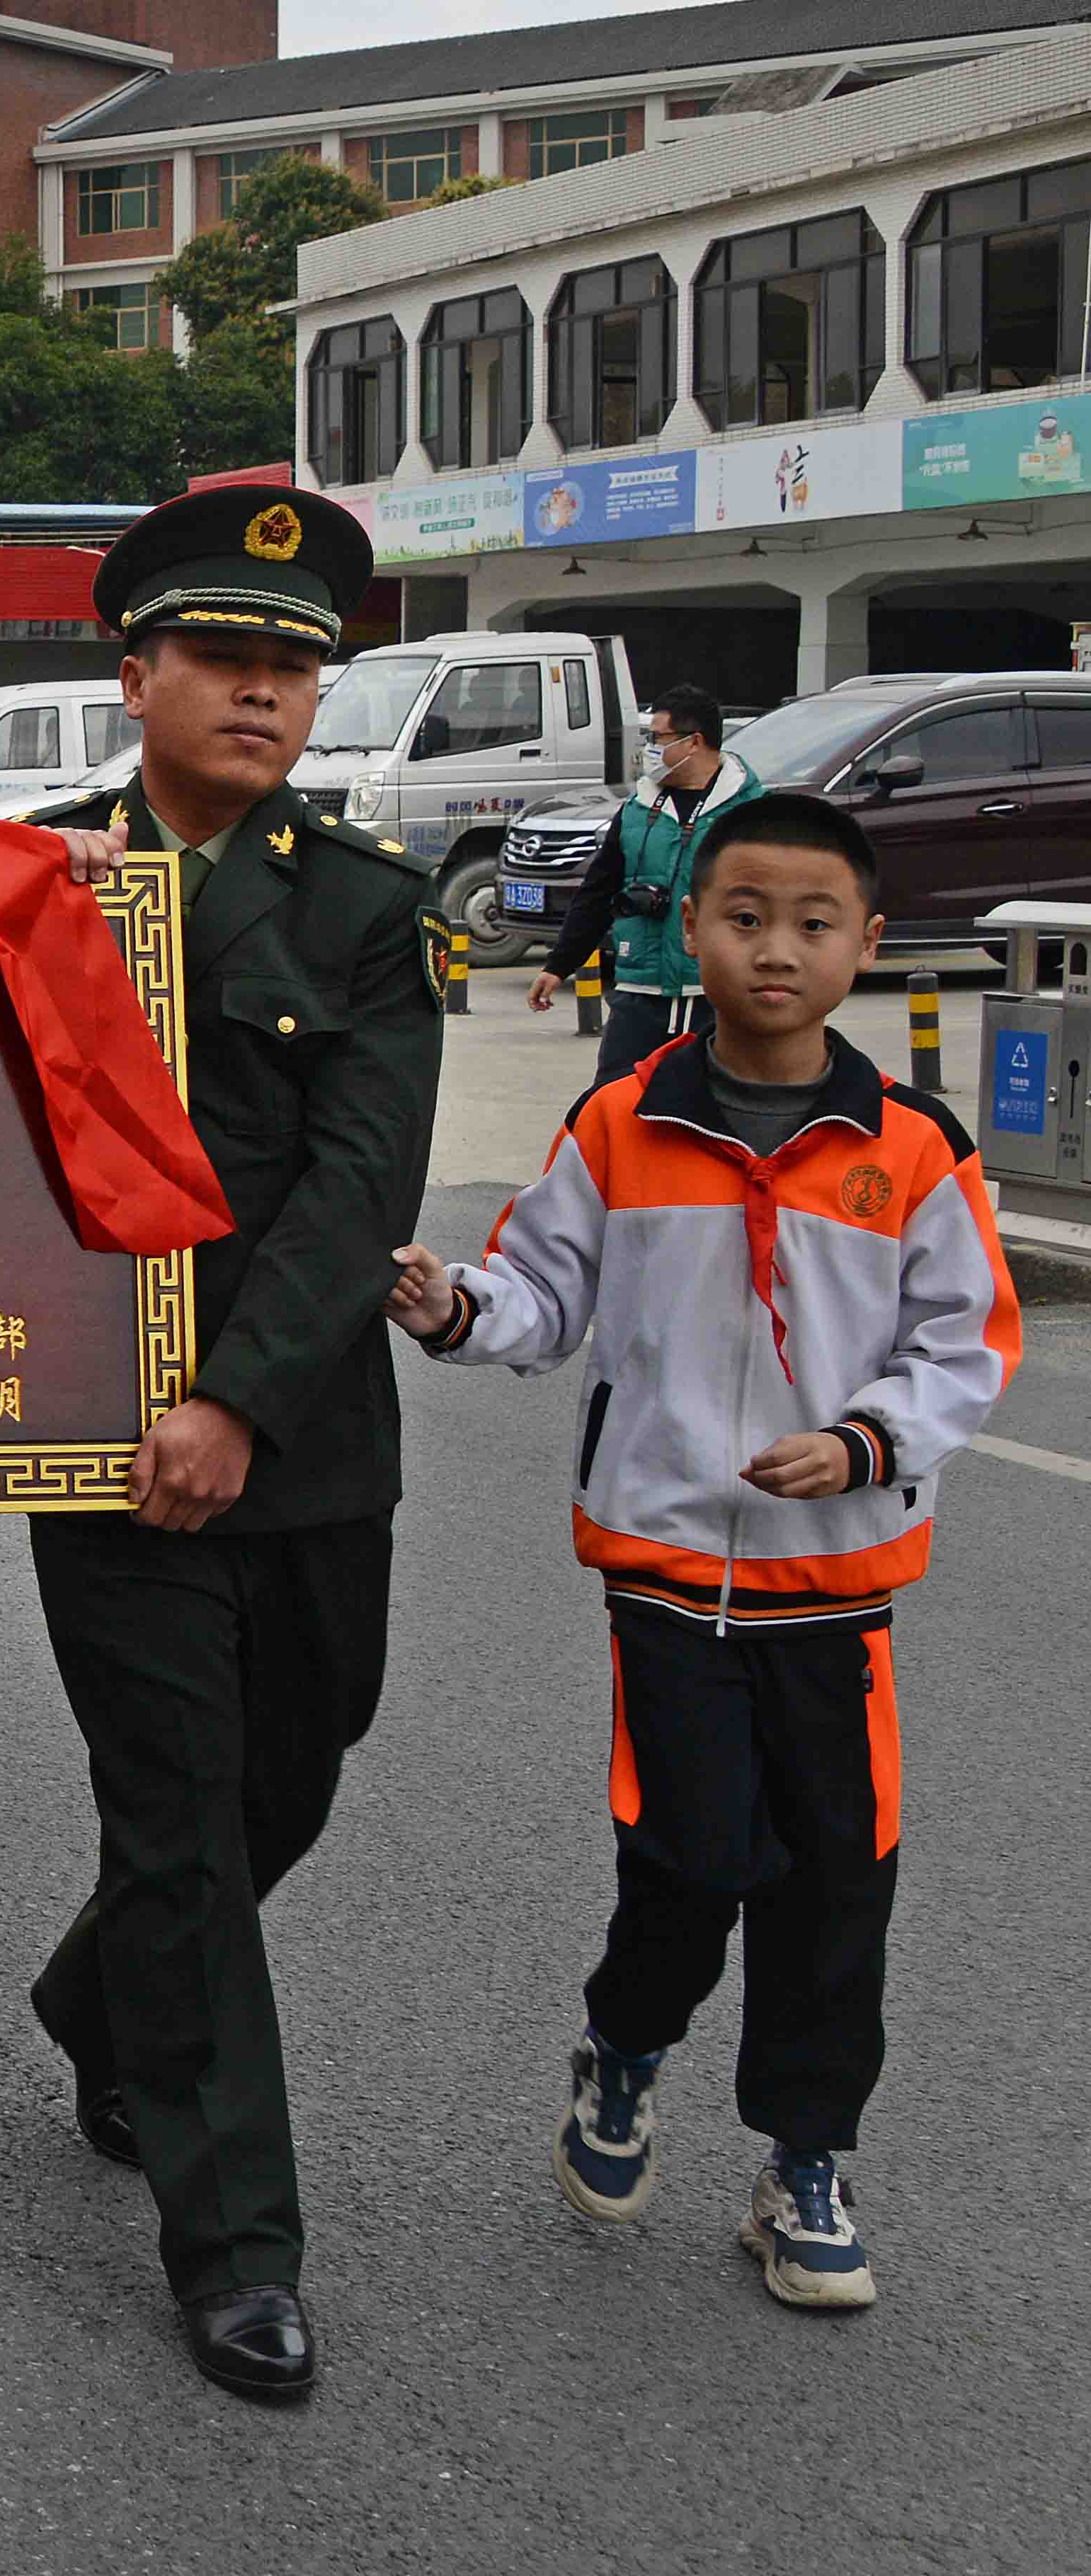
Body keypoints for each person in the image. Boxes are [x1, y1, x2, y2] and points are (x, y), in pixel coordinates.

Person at [387, 793, 1017, 2316]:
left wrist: (863, 1440)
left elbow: (966, 1340)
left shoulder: (913, 1147)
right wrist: (461, 1308)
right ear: (690, 929)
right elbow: (543, 1289)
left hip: (836, 1587)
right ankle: (623, 2044)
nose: (774, 949)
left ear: (867, 944)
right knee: (689, 1858)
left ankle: (805, 2158)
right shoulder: (621, 1120)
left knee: (836, 1886)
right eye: (742, 917)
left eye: (811, 922)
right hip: (665, 1568)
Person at [27, 484, 442, 2405]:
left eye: (294, 666)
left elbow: (359, 1185)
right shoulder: (14, 876)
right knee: (182, 1819)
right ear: (137, 677)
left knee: (298, 1769)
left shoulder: (361, 908)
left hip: (301, 1434)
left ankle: (93, 1997)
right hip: (98, 1436)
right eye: (223, 657)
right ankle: (237, 2250)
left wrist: (237, 1400)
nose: (263, 692)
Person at [527, 686, 759, 1083]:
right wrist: (559, 965)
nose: (650, 749)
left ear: (694, 742)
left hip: (718, 996)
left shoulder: (751, 811)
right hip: (639, 992)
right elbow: (598, 892)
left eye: (658, 738)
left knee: (708, 1108)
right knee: (611, 1099)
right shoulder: (638, 807)